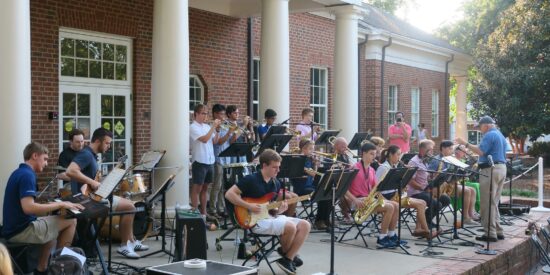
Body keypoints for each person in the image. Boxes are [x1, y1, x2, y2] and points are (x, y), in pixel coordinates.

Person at [225, 149, 311, 275]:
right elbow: (229, 194)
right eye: (274, 167)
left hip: (268, 218)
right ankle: (287, 256)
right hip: (254, 221)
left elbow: (270, 209)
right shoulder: (251, 179)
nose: (278, 170)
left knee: (305, 225)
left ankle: (288, 258)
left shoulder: (275, 183)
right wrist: (248, 205)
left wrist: (278, 210)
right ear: (264, 165)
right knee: (290, 227)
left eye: (279, 167)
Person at [66, 128, 148, 258]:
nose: (109, 146)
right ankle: (124, 245)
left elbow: (94, 180)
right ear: (98, 141)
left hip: (94, 196)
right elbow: (70, 171)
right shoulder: (86, 154)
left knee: (129, 205)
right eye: (107, 143)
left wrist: (111, 178)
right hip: (89, 201)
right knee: (130, 207)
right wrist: (92, 183)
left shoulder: (91, 155)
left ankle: (130, 241)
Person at [2, 142, 82, 274]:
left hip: (13, 229)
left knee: (52, 227)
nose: (46, 164)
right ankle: (61, 267)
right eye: (45, 159)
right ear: (34, 156)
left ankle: (42, 269)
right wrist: (62, 204)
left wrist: (50, 205)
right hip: (21, 231)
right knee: (71, 221)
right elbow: (28, 208)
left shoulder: (18, 172)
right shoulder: (27, 175)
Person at [455, 116, 507, 242]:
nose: (480, 130)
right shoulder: (499, 134)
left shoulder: (489, 135)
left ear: (487, 125)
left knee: (487, 203)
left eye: (480, 127)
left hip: (490, 170)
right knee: (493, 202)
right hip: (501, 168)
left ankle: (490, 233)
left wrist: (465, 143)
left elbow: (481, 151)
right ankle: (498, 230)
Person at [344, 142, 400, 248]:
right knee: (389, 207)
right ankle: (382, 238)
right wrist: (355, 200)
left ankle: (391, 235)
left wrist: (384, 200)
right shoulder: (354, 168)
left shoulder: (372, 170)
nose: (374, 157)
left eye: (375, 154)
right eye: (371, 154)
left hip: (369, 200)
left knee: (395, 205)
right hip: (358, 202)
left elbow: (376, 190)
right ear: (363, 153)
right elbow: (344, 189)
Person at [375, 145, 438, 239]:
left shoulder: (395, 166)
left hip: (395, 195)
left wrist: (406, 175)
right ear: (391, 155)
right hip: (386, 197)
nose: (399, 157)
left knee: (423, 202)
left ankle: (419, 229)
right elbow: (377, 187)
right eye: (398, 154)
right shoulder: (383, 168)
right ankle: (427, 232)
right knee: (420, 204)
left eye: (400, 155)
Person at [429, 140, 479, 225]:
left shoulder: (450, 159)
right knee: (467, 191)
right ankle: (465, 217)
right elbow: (430, 174)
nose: (452, 151)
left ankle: (471, 214)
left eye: (452, 148)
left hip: (449, 184)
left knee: (472, 189)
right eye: (450, 148)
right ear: (443, 148)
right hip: (440, 187)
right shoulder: (437, 160)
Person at [407, 139, 450, 228]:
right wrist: (423, 188)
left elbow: (425, 177)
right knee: (436, 204)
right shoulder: (414, 162)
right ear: (422, 150)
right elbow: (410, 181)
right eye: (430, 149)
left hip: (425, 189)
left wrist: (433, 178)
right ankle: (426, 223)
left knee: (446, 199)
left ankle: (427, 219)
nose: (432, 152)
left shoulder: (425, 160)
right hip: (416, 192)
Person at [188, 104, 221, 219]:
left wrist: (217, 130)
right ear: (195, 114)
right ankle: (195, 212)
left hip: (210, 161)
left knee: (205, 188)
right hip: (199, 161)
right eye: (202, 113)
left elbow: (215, 141)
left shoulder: (207, 127)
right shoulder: (193, 127)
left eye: (206, 113)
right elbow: (205, 140)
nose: (205, 116)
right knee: (197, 188)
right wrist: (213, 127)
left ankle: (204, 213)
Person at [208, 104, 235, 219]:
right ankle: (213, 209)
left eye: (224, 114)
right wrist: (229, 132)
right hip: (218, 158)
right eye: (221, 114)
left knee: (223, 185)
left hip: (226, 158)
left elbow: (231, 142)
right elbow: (219, 142)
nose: (223, 116)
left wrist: (236, 130)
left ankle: (221, 208)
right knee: (217, 185)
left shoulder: (225, 125)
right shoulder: (213, 126)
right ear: (215, 114)